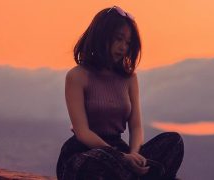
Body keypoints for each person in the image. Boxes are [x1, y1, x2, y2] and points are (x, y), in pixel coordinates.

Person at [56, 6, 184, 180]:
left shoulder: (129, 78)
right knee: (100, 161)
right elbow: (82, 132)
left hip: (121, 153)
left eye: (128, 43)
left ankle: (137, 174)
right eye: (118, 39)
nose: (123, 47)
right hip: (86, 153)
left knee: (173, 142)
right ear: (101, 37)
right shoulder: (77, 76)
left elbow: (136, 126)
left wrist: (134, 155)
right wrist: (123, 158)